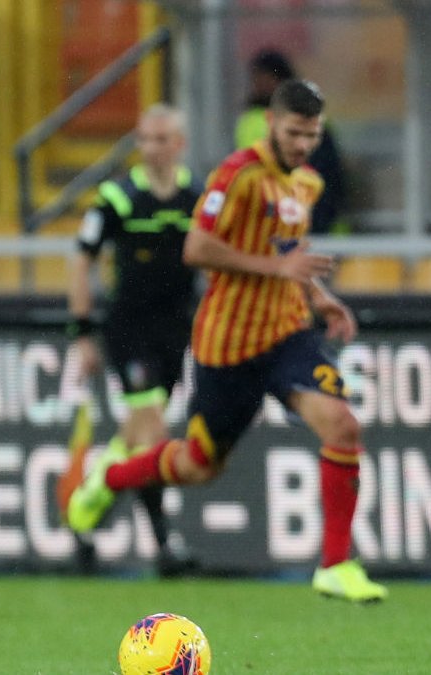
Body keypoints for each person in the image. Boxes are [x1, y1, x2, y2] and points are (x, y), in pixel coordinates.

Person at [67, 80, 388, 603]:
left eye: (312, 135)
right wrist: (277, 268)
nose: (303, 145)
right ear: (271, 124)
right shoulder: (236, 176)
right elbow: (197, 249)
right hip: (228, 345)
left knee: (342, 425)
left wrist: (318, 295)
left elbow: (286, 247)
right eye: (294, 133)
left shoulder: (307, 182)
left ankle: (336, 565)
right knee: (197, 465)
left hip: (288, 334)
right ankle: (112, 478)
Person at [59, 104, 201, 577]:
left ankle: (84, 509)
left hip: (175, 330)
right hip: (129, 328)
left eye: (161, 139)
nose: (151, 148)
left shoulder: (198, 199)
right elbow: (82, 261)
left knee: (139, 437)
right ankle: (165, 544)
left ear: (179, 144)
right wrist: (83, 332)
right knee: (153, 429)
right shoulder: (118, 198)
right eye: (144, 139)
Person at [235, 49, 347, 235]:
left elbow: (330, 177)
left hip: (310, 219)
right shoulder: (250, 120)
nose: (300, 145)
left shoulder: (313, 119)